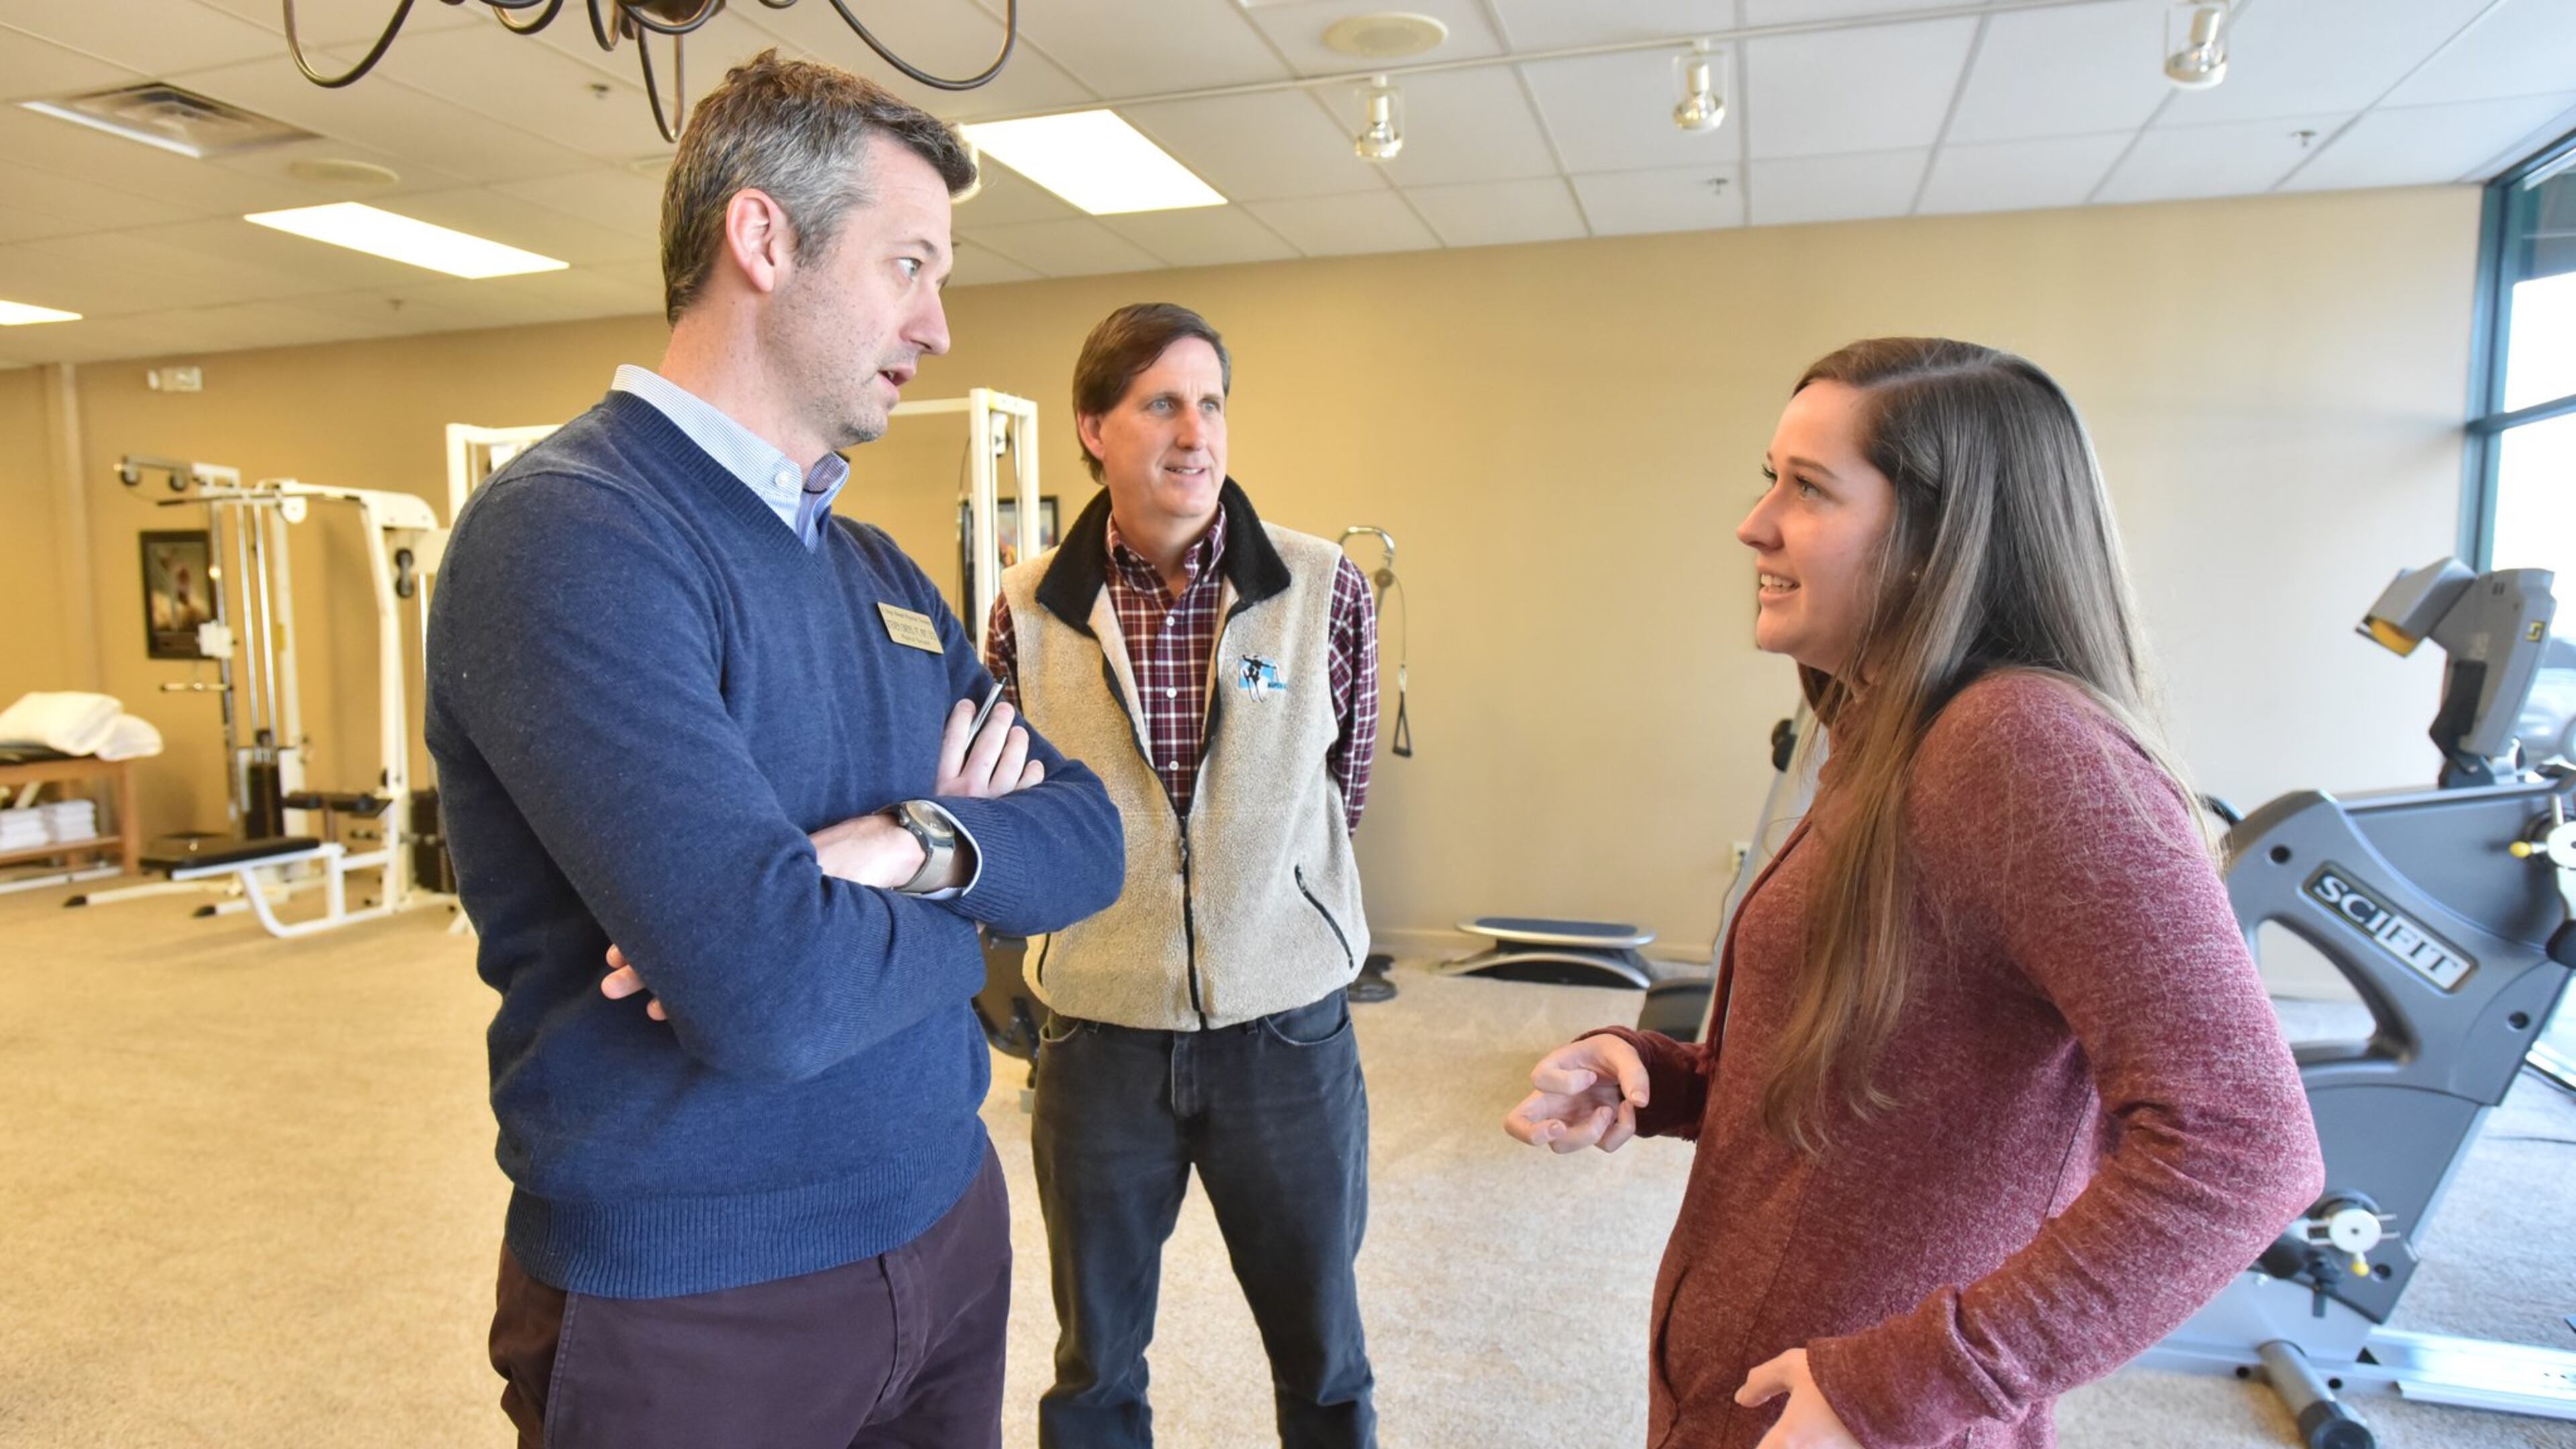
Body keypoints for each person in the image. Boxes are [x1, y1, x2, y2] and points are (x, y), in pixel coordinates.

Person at [425, 52, 1123, 1449]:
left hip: (943, 1213)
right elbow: (767, 998)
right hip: (700, 1293)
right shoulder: (571, 534)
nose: (937, 322)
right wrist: (970, 907)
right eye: (907, 263)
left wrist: (902, 847)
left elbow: (1095, 835)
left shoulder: (873, 566)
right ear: (763, 236)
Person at [1502, 337, 2325, 1449]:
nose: (1756, 524)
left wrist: (1919, 1379)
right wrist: (1662, 1077)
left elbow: (2245, 1147)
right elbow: (1896, 1075)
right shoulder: (1895, 736)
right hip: (1766, 1390)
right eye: (1770, 478)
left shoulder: (2023, 747)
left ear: (1941, 539)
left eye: (1809, 489)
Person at [984, 302, 1382, 1448]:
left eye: (1211, 403)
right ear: (1093, 429)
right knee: (1095, 1367)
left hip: (1286, 1034)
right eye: (1161, 403)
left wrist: (1271, 907)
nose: (1195, 432)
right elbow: (1012, 815)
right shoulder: (1023, 613)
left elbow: (1340, 796)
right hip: (1098, 1036)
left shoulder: (1322, 588)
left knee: (1324, 1355)